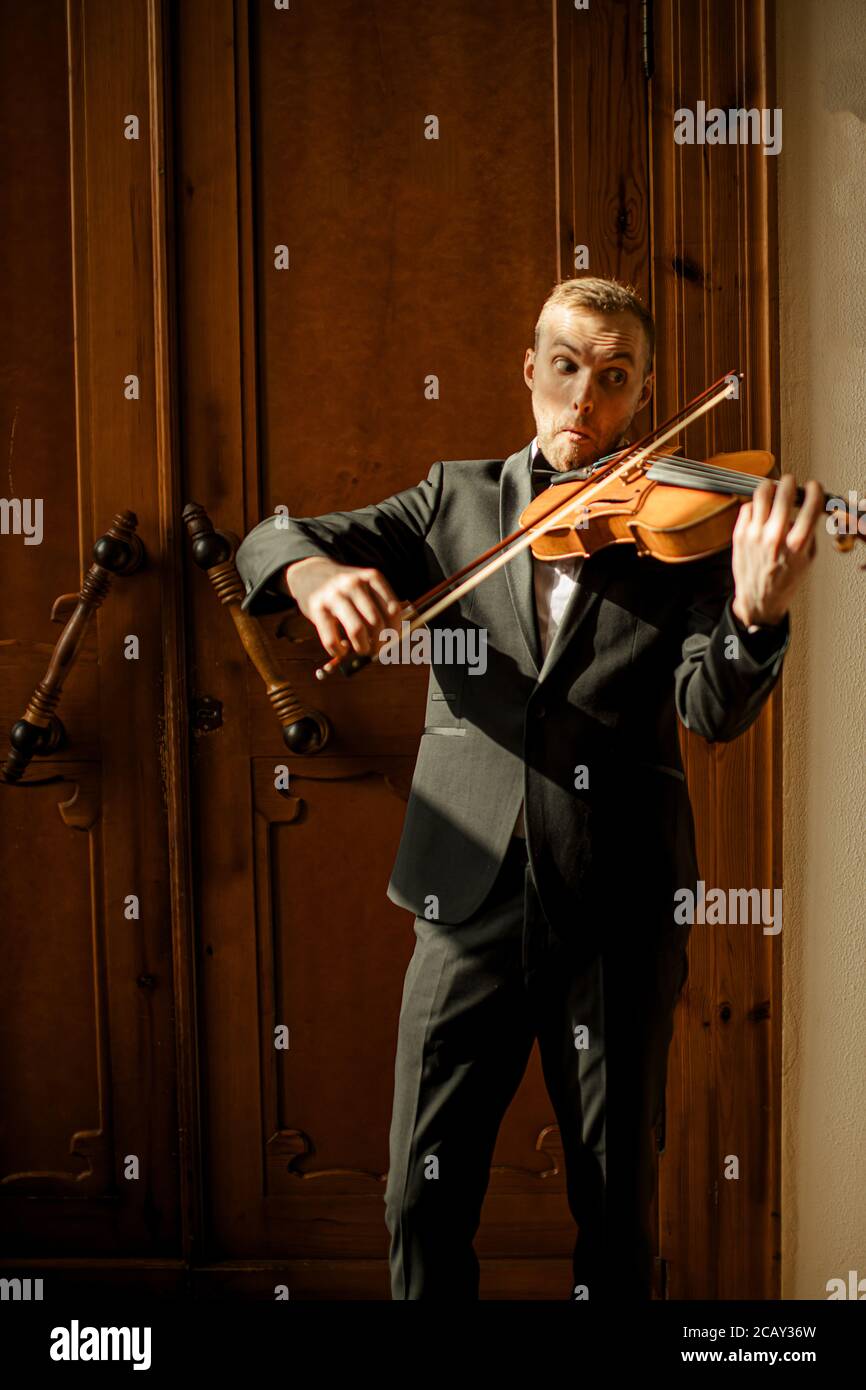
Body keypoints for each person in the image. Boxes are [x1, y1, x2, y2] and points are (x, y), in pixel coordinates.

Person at [235, 276, 822, 1300]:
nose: (583, 403)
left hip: (616, 907)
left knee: (614, 1201)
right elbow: (270, 535)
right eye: (565, 369)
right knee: (420, 1197)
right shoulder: (451, 499)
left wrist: (753, 619)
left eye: (612, 378)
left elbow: (709, 710)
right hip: (463, 891)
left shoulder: (681, 527)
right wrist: (313, 578)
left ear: (643, 395)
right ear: (530, 368)